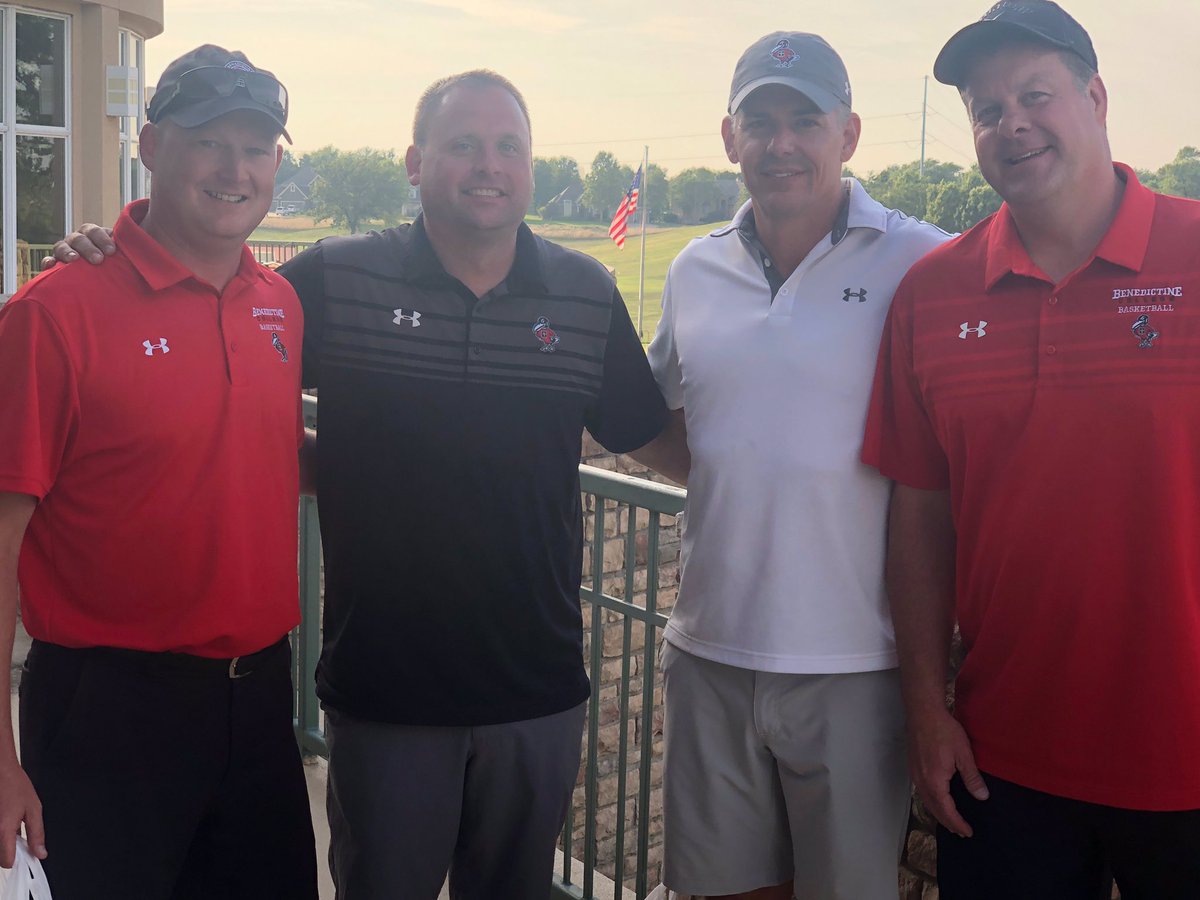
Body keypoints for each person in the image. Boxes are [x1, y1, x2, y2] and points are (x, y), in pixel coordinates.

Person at [53, 69, 668, 899]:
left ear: (529, 164)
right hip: (384, 695)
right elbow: (210, 318)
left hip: (538, 693)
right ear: (415, 162)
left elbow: (650, 434)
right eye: (462, 146)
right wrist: (111, 255)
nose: (487, 165)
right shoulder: (330, 282)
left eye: (507, 147)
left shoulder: (586, 293)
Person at [862, 2, 1200, 897]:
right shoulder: (930, 296)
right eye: (985, 107)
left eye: (1035, 94)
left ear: (1094, 98)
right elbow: (920, 519)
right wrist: (925, 715)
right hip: (1002, 762)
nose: (1009, 121)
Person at [634, 31, 950, 900]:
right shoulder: (697, 268)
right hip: (710, 650)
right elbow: (657, 417)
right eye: (758, 121)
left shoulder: (921, 262)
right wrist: (735, 481)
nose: (781, 144)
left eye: (803, 120)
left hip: (857, 662)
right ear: (729, 137)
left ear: (847, 134)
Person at [0, 46, 318, 898]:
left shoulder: (278, 304)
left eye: (256, 147)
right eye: (209, 140)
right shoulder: (56, 311)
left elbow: (260, 459)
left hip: (256, 698)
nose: (235, 168)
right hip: (107, 707)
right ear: (150, 146)